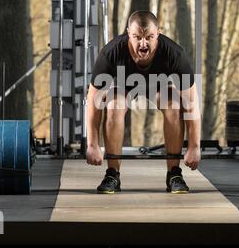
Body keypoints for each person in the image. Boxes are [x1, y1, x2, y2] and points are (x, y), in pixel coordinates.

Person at [86, 10, 201, 194]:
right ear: (128, 34)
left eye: (149, 37)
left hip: (158, 87)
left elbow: (192, 104)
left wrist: (194, 147)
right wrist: (92, 144)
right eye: (137, 37)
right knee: (114, 106)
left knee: (175, 106)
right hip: (124, 87)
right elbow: (93, 101)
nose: (143, 43)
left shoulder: (175, 54)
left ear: (159, 33)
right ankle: (112, 174)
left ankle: (174, 174)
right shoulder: (111, 52)